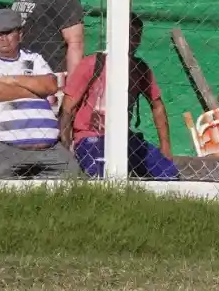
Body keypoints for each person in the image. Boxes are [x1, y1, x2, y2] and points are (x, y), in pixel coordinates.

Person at [60, 12, 179, 180]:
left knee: (169, 174)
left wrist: (165, 147)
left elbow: (157, 105)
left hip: (125, 138)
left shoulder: (139, 68)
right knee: (101, 176)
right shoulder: (92, 64)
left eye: (137, 37)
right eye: (129, 35)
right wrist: (66, 145)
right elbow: (67, 107)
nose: (133, 42)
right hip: (91, 137)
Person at [0, 8, 75, 180]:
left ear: (20, 34)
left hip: (49, 147)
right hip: (1, 146)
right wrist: (34, 92)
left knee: (74, 178)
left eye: (8, 33)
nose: (2, 38)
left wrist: (11, 80)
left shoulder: (34, 58)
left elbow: (51, 85)